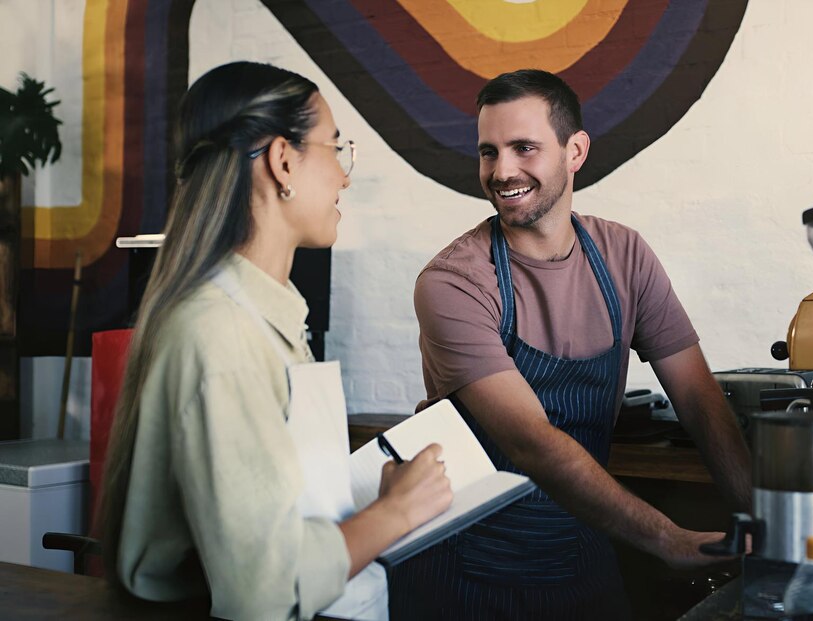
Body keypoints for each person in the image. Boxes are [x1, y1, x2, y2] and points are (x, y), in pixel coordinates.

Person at [390, 69, 753, 620]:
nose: (502, 171)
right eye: (489, 152)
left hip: (582, 552)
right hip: (468, 568)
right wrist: (666, 538)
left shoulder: (625, 256)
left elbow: (700, 401)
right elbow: (532, 443)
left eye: (524, 148)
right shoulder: (454, 282)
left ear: (575, 150)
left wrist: (766, 528)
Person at [96, 61, 452, 621]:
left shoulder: (264, 314)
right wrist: (396, 511)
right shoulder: (220, 333)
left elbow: (275, 502)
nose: (345, 175)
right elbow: (264, 587)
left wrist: (370, 496)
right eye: (335, 148)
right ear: (284, 161)